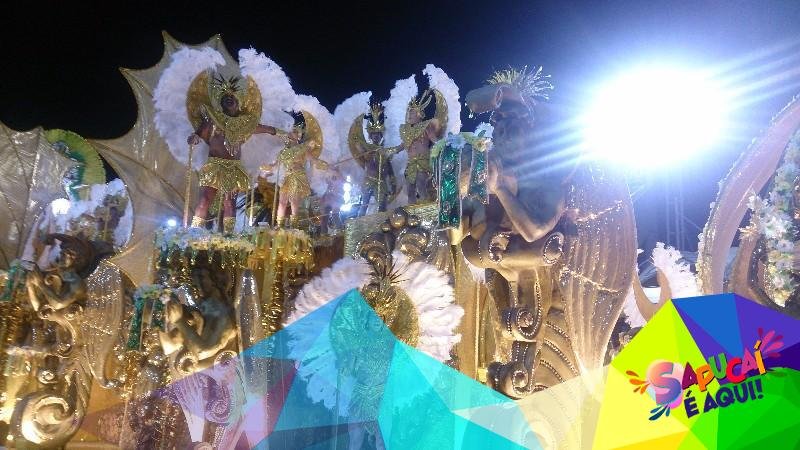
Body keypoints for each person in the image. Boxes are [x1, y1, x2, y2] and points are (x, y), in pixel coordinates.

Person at [188, 74, 281, 233]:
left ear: (238, 102)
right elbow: (198, 134)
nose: (229, 99)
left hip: (234, 168)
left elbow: (267, 129)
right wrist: (194, 137)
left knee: (229, 203)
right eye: (225, 97)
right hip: (215, 166)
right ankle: (193, 234)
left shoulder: (245, 123)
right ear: (221, 103)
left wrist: (285, 134)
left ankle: (228, 237)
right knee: (205, 200)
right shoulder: (212, 119)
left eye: (232, 97)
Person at [397, 90, 445, 203]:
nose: (409, 115)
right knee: (410, 190)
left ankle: (426, 209)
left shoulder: (426, 126)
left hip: (423, 161)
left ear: (419, 115)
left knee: (421, 185)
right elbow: (403, 145)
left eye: (412, 113)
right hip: (410, 164)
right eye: (409, 113)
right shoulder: (406, 131)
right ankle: (411, 211)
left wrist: (444, 145)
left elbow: (434, 139)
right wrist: (390, 151)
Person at [348, 104, 397, 215]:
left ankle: (381, 224)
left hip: (382, 183)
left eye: (378, 134)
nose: (375, 136)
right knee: (364, 204)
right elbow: (357, 144)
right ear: (370, 136)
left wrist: (393, 184)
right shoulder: (367, 148)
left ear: (381, 136)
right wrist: (364, 151)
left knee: (382, 206)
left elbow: (390, 170)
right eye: (373, 134)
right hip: (369, 180)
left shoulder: (385, 152)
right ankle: (359, 223)